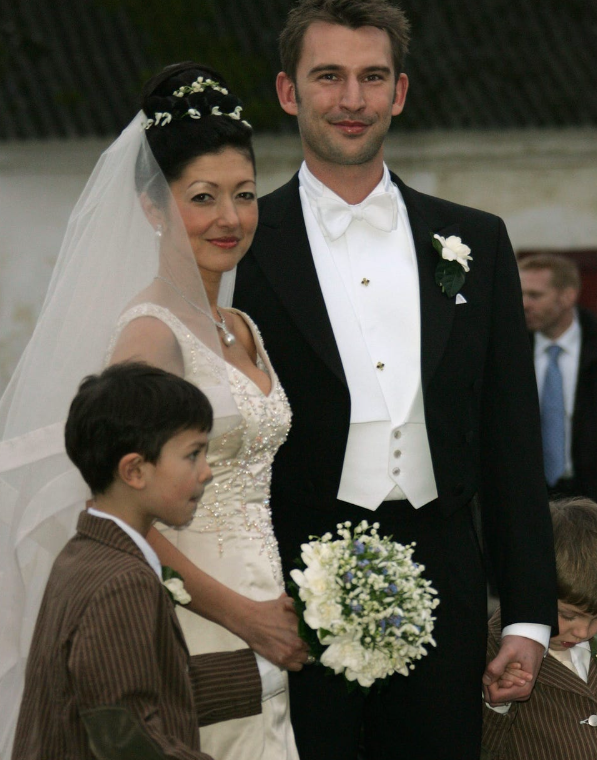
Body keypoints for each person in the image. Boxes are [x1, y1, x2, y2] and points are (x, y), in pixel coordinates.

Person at [233, 1, 558, 758]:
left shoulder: (476, 239)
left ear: (400, 92)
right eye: (328, 76)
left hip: (448, 583)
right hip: (288, 594)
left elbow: (512, 438)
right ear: (287, 92)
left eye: (372, 77)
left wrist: (526, 616)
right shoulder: (242, 246)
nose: (352, 99)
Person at [0, 62, 303, 759]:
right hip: (192, 621)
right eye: (203, 198)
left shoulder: (243, 326)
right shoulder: (151, 335)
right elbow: (118, 506)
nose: (230, 218)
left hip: (267, 612)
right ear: (152, 207)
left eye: (245, 194)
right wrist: (242, 616)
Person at [12, 361, 265, 760]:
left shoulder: (84, 553)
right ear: (134, 470)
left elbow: (138, 686)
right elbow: (127, 740)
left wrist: (271, 671)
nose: (206, 473)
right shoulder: (121, 582)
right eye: (193, 455)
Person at [482, 497, 597, 760]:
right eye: (569, 615)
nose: (583, 632)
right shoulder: (491, 650)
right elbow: (483, 746)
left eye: (595, 618)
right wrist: (497, 704)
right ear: (532, 590)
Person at [519, 253, 597, 502]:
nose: (524, 304)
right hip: (529, 492)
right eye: (520, 294)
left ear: (567, 296)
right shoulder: (510, 349)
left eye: (535, 295)